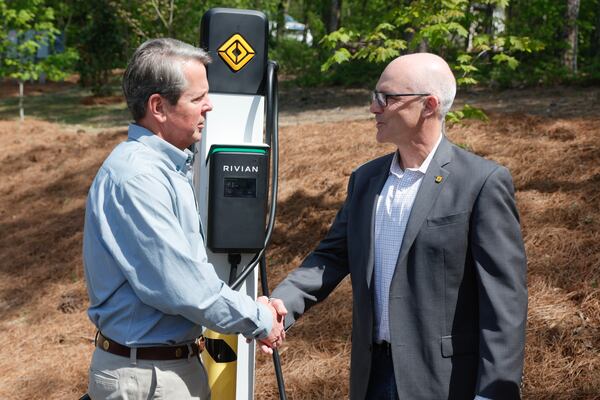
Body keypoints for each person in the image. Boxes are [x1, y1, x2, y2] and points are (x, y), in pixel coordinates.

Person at [271, 53, 527, 400]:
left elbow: (504, 303)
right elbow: (331, 256)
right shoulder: (366, 179)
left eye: (387, 98)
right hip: (372, 376)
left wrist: (493, 393)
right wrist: (279, 305)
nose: (374, 108)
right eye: (375, 97)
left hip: (445, 382)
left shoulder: (481, 182)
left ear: (429, 105)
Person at [82, 38, 286, 400]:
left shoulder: (168, 168)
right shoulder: (138, 178)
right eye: (197, 98)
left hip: (163, 368)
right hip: (149, 377)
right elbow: (183, 286)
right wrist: (260, 318)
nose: (209, 107)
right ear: (158, 107)